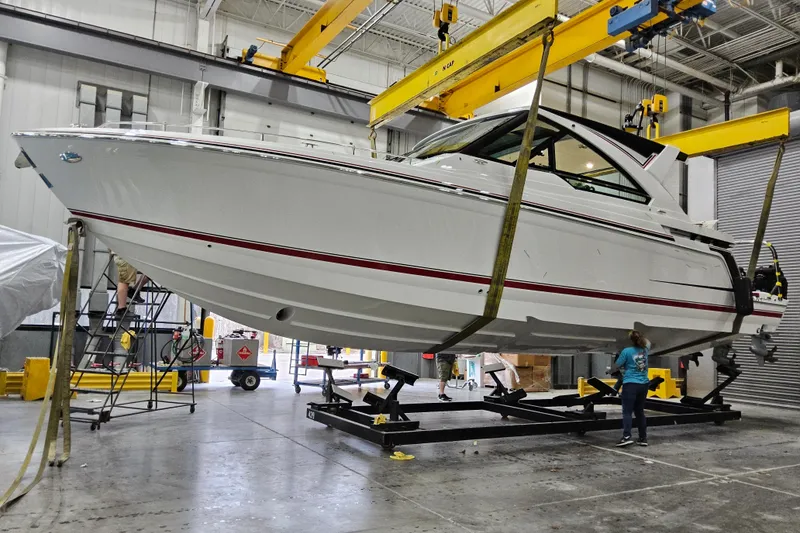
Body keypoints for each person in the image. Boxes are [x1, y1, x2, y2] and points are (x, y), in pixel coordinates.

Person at [615, 330, 650, 447]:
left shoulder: (626, 351)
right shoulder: (645, 350)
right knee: (640, 412)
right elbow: (648, 342)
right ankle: (643, 438)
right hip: (644, 384)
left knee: (627, 412)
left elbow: (617, 365)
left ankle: (626, 436)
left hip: (630, 384)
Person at [113, 254, 149, 319]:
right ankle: (121, 309)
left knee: (150, 272)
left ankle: (134, 290)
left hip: (130, 253)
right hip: (125, 254)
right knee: (125, 279)